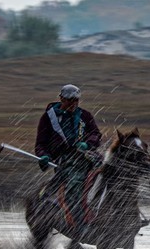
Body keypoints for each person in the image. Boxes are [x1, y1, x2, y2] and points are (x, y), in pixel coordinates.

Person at [35, 84, 102, 221]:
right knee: (74, 183)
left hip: (89, 157)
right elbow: (41, 144)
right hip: (64, 161)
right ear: (61, 99)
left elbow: (95, 134)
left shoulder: (85, 115)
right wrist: (43, 156)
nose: (73, 104)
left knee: (112, 171)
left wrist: (87, 144)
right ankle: (78, 222)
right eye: (70, 100)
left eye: (76, 100)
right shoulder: (48, 118)